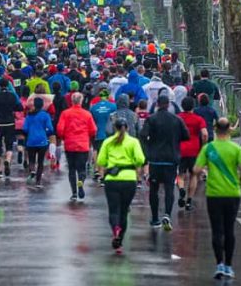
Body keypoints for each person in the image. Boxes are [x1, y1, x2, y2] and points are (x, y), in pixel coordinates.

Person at [195, 117, 241, 280]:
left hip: (214, 194)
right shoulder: (235, 149)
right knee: (229, 229)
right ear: (229, 130)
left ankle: (219, 264)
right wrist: (238, 180)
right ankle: (229, 266)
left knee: (217, 230)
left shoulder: (209, 148)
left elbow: (196, 169)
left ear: (215, 129)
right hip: (232, 193)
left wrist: (207, 171)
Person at [139, 93, 189, 231]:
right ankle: (167, 214)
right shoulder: (176, 120)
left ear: (157, 105)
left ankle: (155, 218)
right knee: (169, 188)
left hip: (155, 160)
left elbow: (143, 135)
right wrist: (175, 140)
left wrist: (148, 150)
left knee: (153, 189)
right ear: (168, 105)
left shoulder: (151, 119)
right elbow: (186, 135)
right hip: (171, 159)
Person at [97, 116, 146, 253]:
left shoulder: (108, 142)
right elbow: (140, 159)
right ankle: (120, 242)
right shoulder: (133, 142)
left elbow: (101, 161)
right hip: (129, 179)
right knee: (124, 211)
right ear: (128, 128)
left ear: (114, 128)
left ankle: (115, 231)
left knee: (113, 210)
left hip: (112, 180)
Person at [56, 92, 97, 202]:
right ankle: (81, 182)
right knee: (81, 169)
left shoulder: (65, 113)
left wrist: (64, 137)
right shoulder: (87, 114)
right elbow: (93, 130)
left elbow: (60, 129)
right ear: (81, 101)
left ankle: (74, 192)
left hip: (70, 144)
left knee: (72, 169)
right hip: (83, 145)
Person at [177, 96, 207, 211]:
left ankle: (181, 189)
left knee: (181, 174)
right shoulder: (199, 119)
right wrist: (203, 145)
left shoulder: (178, 118)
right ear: (193, 106)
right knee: (194, 175)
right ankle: (189, 201)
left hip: (180, 149)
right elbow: (204, 134)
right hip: (194, 149)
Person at [0, 77, 22, 178]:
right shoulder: (13, 95)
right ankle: (7, 160)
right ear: (8, 85)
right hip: (9, 122)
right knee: (9, 145)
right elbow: (19, 107)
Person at [22, 96, 55, 188]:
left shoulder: (29, 115)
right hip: (42, 141)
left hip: (31, 141)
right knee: (40, 162)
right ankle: (38, 182)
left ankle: (32, 170)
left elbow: (25, 129)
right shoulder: (45, 115)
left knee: (31, 160)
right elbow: (50, 128)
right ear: (42, 105)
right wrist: (46, 132)